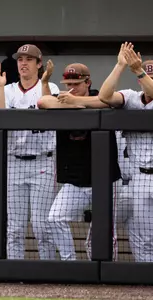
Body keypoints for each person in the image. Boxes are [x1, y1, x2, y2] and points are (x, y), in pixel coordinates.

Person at [37, 63, 124, 260]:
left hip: (105, 181)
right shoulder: (63, 99)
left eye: (76, 83)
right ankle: (70, 263)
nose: (71, 88)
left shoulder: (101, 96)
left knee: (103, 234)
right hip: (76, 182)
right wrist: (71, 103)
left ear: (88, 82)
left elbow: (109, 102)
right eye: (68, 84)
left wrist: (77, 102)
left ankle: (108, 274)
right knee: (54, 218)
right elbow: (43, 102)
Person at [0, 44, 59, 260]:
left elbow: (51, 107)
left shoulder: (51, 86)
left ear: (39, 64)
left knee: (42, 225)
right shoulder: (9, 89)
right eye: (20, 59)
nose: (23, 63)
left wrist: (46, 82)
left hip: (42, 162)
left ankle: (47, 271)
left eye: (29, 59)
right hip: (15, 162)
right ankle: (14, 272)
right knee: (15, 227)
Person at [98, 42, 153, 262]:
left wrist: (139, 70)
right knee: (142, 235)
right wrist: (120, 66)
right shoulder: (131, 98)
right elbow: (104, 95)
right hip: (140, 176)